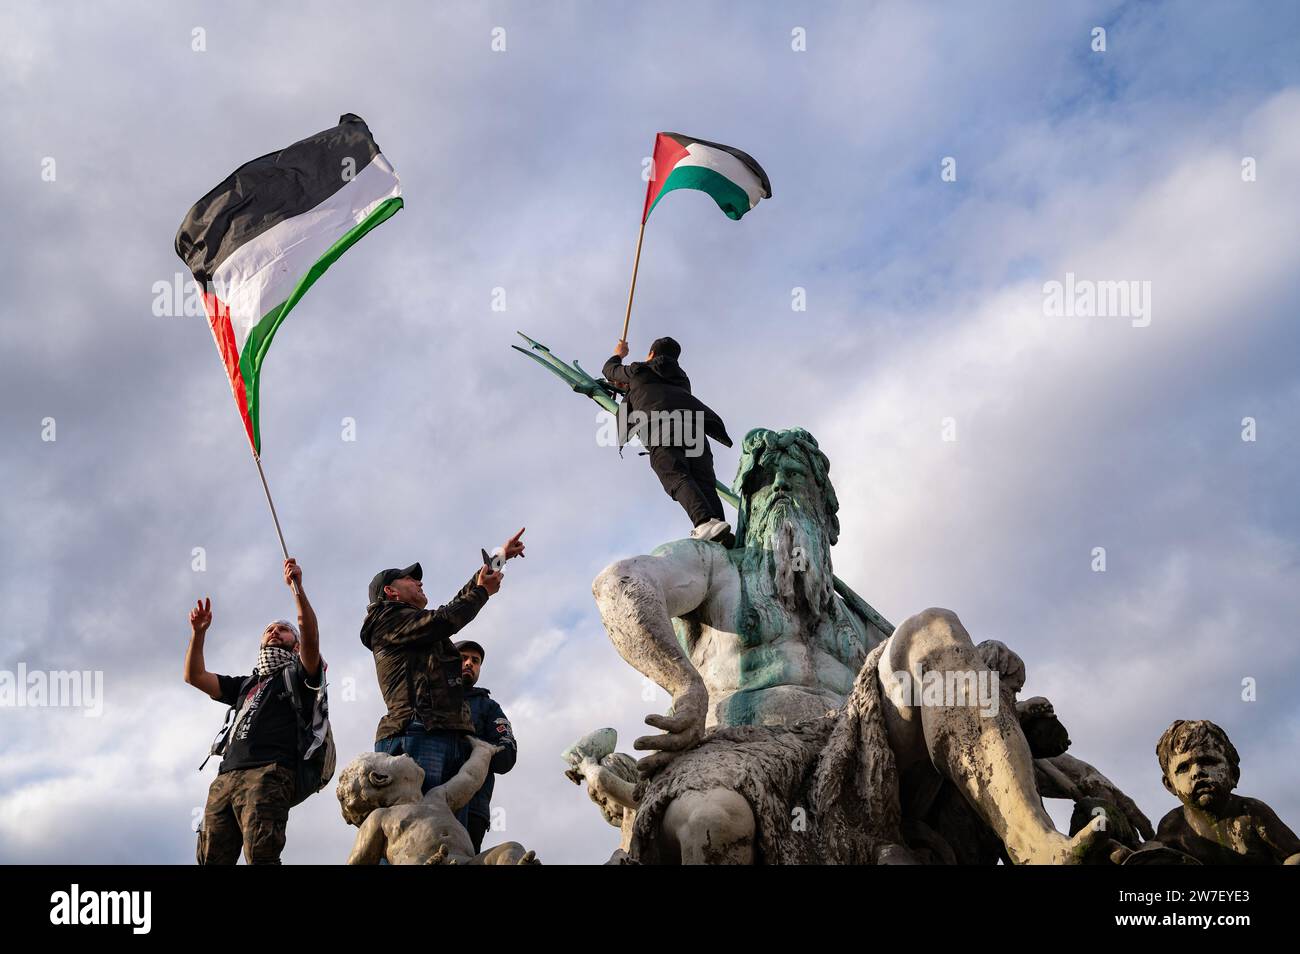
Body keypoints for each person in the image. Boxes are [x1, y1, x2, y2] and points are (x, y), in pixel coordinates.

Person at [360, 529, 524, 828]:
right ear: (390, 592)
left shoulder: (417, 625)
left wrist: (499, 558)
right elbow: (446, 618)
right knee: (414, 834)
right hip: (417, 732)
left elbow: (453, 607)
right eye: (410, 578)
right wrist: (483, 591)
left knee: (445, 842)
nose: (419, 581)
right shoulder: (386, 620)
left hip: (445, 736)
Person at [186, 557, 324, 865]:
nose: (275, 632)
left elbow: (310, 633)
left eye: (284, 630)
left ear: (296, 645)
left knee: (261, 856)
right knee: (210, 859)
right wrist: (199, 633)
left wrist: (297, 589)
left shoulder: (300, 674)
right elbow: (195, 677)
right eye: (270, 629)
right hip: (226, 776)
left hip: (269, 773)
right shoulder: (246, 683)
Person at [604, 336, 733, 544]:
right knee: (704, 482)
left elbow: (609, 370)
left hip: (661, 427)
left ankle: (704, 522)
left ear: (652, 354)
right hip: (695, 429)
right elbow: (649, 387)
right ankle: (720, 530)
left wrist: (619, 354)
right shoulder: (682, 379)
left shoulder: (638, 369)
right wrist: (627, 386)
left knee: (675, 475)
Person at [1147, 718, 1300, 864]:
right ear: (1170, 785)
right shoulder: (1173, 825)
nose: (1197, 772)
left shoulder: (1251, 812)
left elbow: (1295, 854)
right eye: (1183, 768)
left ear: (1233, 774)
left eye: (1208, 761)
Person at [456, 639, 517, 852]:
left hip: (474, 808)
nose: (469, 663)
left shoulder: (488, 706)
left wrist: (477, 749)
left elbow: (506, 758)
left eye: (475, 660)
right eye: (463, 658)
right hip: (430, 800)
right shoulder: (428, 698)